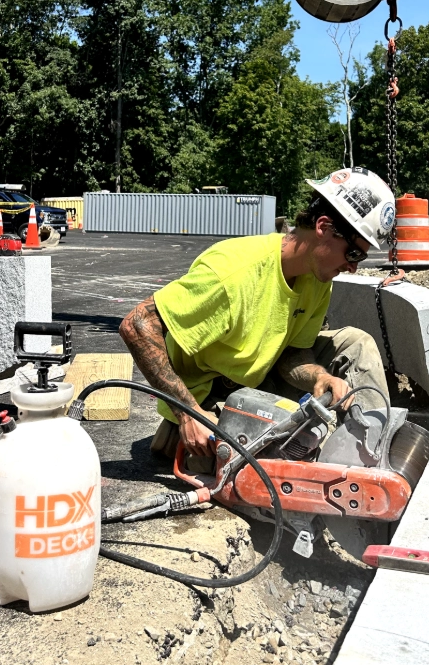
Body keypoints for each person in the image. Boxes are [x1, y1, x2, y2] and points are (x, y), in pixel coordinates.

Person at [119, 167, 396, 463]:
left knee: (357, 344)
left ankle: (372, 458)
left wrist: (320, 376)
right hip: (209, 398)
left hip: (260, 378)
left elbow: (292, 354)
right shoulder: (233, 273)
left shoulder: (318, 277)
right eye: (353, 254)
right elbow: (137, 325)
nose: (353, 266)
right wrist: (188, 414)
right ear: (323, 227)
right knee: (276, 467)